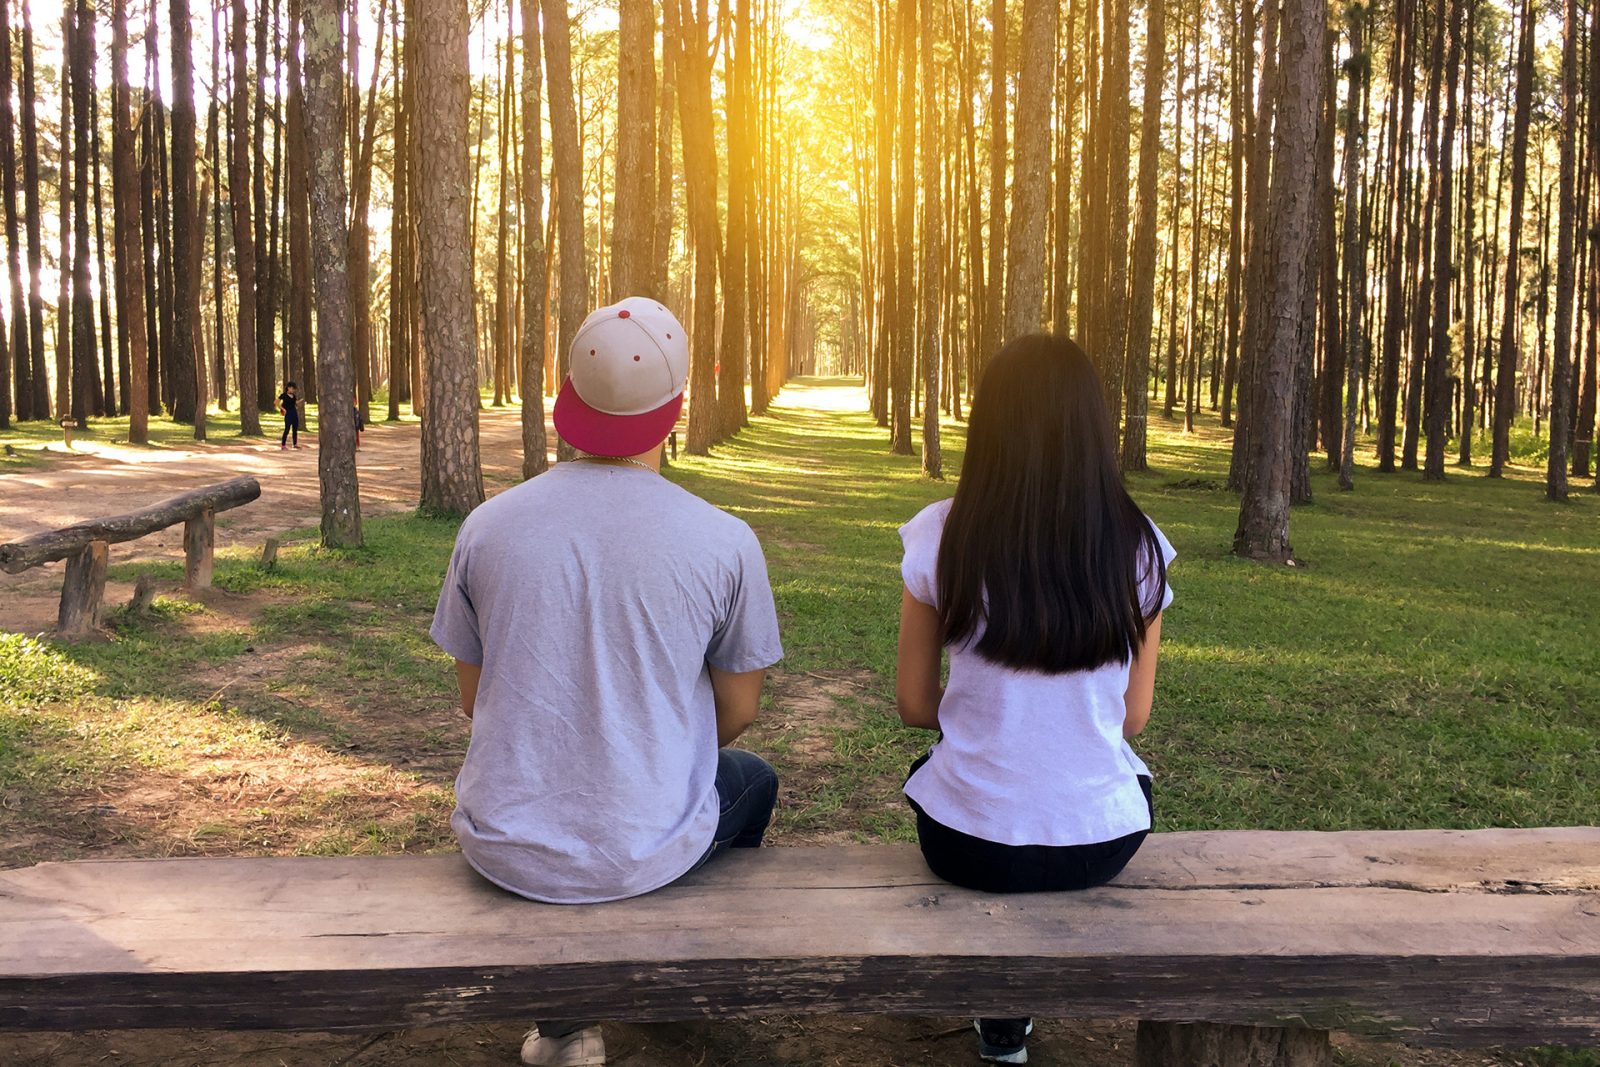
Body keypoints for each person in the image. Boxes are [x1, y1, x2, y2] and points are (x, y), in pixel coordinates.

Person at [430, 297, 784, 1067]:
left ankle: (564, 1028)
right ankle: (669, 974)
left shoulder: (485, 527)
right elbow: (740, 710)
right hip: (641, 845)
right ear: (677, 409)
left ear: (566, 394)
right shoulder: (725, 541)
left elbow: (472, 699)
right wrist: (653, 737)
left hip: (503, 840)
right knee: (749, 781)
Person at [894, 334, 1174, 1066]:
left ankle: (1002, 1023)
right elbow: (1132, 719)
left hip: (966, 843)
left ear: (989, 424)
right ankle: (1009, 1020)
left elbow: (914, 701)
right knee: (1117, 772)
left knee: (964, 774)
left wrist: (985, 716)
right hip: (1099, 845)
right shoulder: (1140, 547)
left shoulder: (939, 534)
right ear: (1093, 429)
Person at [278, 381, 300, 450]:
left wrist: (299, 402)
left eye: (294, 389)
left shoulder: (294, 396)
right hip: (288, 414)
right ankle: (283, 445)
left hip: (294, 413)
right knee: (287, 429)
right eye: (292, 389)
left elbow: (294, 403)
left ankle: (295, 444)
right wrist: (282, 409)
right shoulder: (283, 395)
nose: (293, 390)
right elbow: (276, 402)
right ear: (288, 388)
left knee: (295, 429)